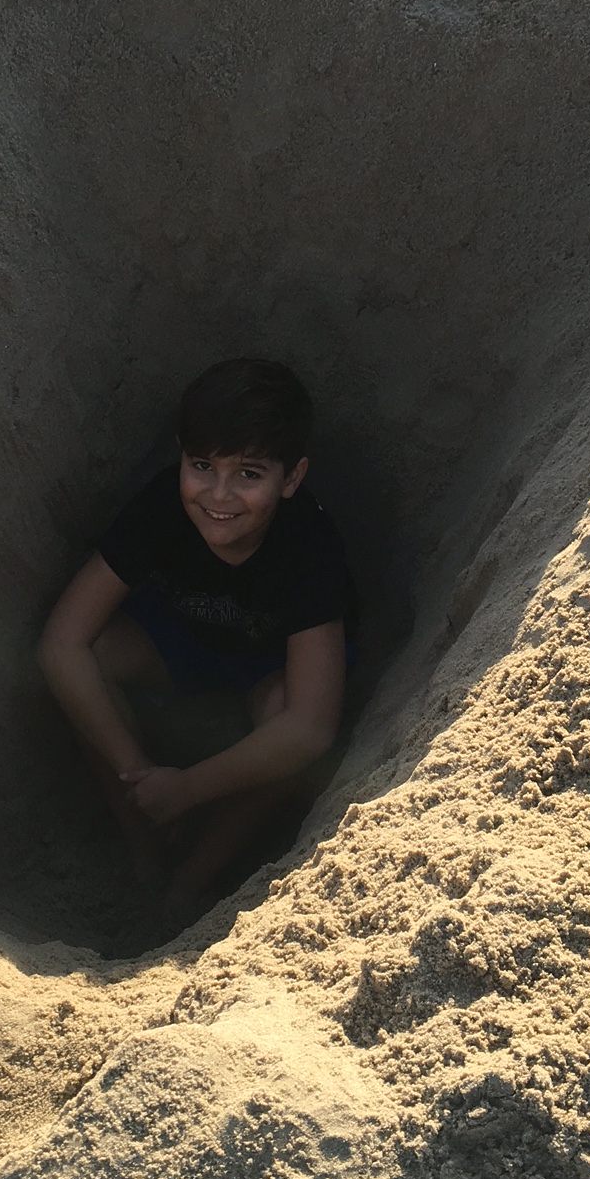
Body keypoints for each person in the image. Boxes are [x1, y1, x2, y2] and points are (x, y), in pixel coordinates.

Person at [38, 358, 356, 920]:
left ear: (292, 479)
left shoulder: (310, 545)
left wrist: (186, 789)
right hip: (177, 645)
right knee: (96, 650)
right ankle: (144, 851)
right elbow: (62, 642)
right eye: (202, 465)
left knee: (288, 713)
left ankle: (192, 882)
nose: (219, 495)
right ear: (182, 456)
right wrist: (140, 775)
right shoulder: (163, 505)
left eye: (249, 474)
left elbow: (310, 728)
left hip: (264, 666)